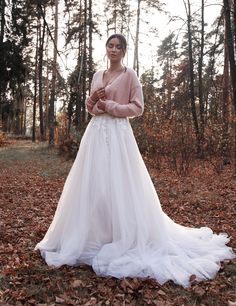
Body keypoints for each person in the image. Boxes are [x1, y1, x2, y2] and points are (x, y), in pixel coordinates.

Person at [35, 34, 235, 288]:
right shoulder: (98, 74)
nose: (114, 50)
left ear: (124, 51)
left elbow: (137, 107)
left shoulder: (130, 76)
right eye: (110, 45)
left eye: (119, 46)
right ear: (106, 49)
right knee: (93, 183)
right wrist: (94, 103)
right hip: (96, 134)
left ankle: (121, 234)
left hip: (119, 135)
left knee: (119, 182)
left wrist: (112, 107)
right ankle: (92, 234)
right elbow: (90, 106)